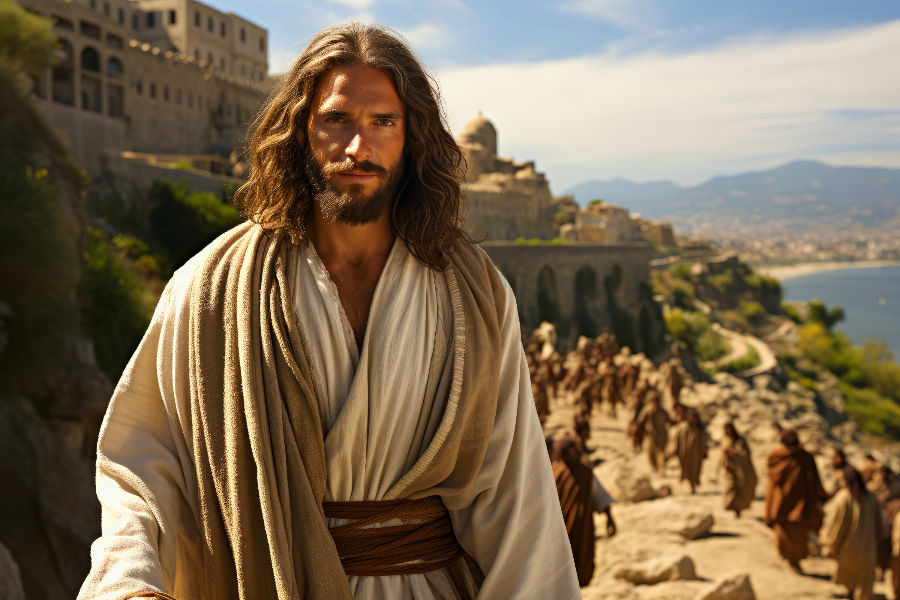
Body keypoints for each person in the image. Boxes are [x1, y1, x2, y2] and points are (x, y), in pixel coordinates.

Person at [77, 24, 580, 600]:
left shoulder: (473, 293)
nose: (357, 148)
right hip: (266, 581)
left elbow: (517, 497)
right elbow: (144, 464)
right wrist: (129, 582)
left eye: (383, 123)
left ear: (412, 137)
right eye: (336, 119)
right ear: (298, 130)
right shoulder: (214, 287)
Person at [550, 436, 616, 587]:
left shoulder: (586, 474)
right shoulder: (556, 473)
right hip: (561, 528)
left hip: (582, 527)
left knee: (582, 561)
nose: (572, 455)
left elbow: (600, 496)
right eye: (568, 453)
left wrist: (609, 518)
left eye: (574, 451)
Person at [820, 465, 887, 600]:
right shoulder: (867, 498)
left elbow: (833, 525)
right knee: (861, 581)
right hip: (866, 549)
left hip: (849, 548)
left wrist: (828, 542)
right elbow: (881, 525)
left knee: (854, 577)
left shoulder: (845, 498)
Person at [764, 429, 827, 572]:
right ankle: (789, 559)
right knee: (783, 536)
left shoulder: (806, 458)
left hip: (801, 505)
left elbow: (815, 480)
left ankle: (796, 561)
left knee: (799, 537)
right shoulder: (777, 457)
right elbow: (773, 481)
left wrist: (819, 497)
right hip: (781, 504)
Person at [720, 422, 757, 517]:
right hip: (729, 470)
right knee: (729, 488)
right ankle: (730, 506)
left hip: (741, 470)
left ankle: (738, 509)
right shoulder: (725, 440)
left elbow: (745, 454)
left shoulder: (740, 441)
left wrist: (734, 453)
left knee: (740, 490)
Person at [668, 408, 707, 494]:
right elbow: (677, 439)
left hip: (696, 455)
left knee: (694, 471)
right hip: (684, 453)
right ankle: (687, 485)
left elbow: (704, 442)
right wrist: (675, 450)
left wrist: (704, 452)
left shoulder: (700, 429)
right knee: (685, 469)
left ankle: (692, 486)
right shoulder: (683, 427)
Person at [636, 393, 671, 475]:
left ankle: (661, 469)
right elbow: (640, 422)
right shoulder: (647, 411)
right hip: (651, 436)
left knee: (661, 454)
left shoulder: (663, 412)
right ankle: (654, 466)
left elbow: (670, 421)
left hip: (662, 436)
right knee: (651, 453)